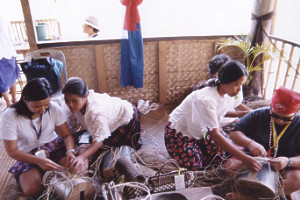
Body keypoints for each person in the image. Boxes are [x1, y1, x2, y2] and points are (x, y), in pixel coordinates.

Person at [164, 60, 261, 171]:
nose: (239, 90)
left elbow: (218, 117)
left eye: (241, 85)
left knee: (220, 155)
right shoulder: (207, 99)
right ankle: (189, 149)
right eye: (236, 85)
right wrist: (245, 158)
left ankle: (200, 148)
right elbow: (214, 134)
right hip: (178, 134)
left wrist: (219, 139)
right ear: (225, 82)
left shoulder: (226, 95)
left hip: (201, 132)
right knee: (195, 165)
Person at [0, 78, 80, 198]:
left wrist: (70, 152)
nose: (42, 110)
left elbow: (66, 135)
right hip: (28, 155)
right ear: (25, 99)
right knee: (33, 189)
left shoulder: (53, 107)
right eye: (37, 106)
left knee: (74, 173)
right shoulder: (10, 116)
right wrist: (39, 161)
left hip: (54, 147)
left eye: (46, 105)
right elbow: (12, 151)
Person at [225, 86, 300, 200]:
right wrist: (250, 143)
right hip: (254, 160)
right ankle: (273, 194)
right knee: (229, 166)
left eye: (286, 118)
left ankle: (248, 197)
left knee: (297, 180)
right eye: (275, 115)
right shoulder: (259, 114)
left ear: (295, 112)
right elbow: (234, 133)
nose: (279, 120)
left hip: (285, 166)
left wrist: (288, 161)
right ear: (271, 107)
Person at [62, 77, 141, 172]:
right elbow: (85, 128)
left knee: (104, 151)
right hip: (107, 118)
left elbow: (99, 141)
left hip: (127, 121)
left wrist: (82, 157)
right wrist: (72, 152)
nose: (70, 105)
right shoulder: (76, 105)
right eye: (67, 100)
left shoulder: (96, 111)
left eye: (74, 101)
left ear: (85, 96)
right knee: (83, 141)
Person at [0, 18, 20, 106]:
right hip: (9, 51)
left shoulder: (4, 21)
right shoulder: (4, 20)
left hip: (4, 53)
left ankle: (9, 103)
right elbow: (12, 36)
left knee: (1, 80)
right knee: (12, 76)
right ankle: (14, 99)